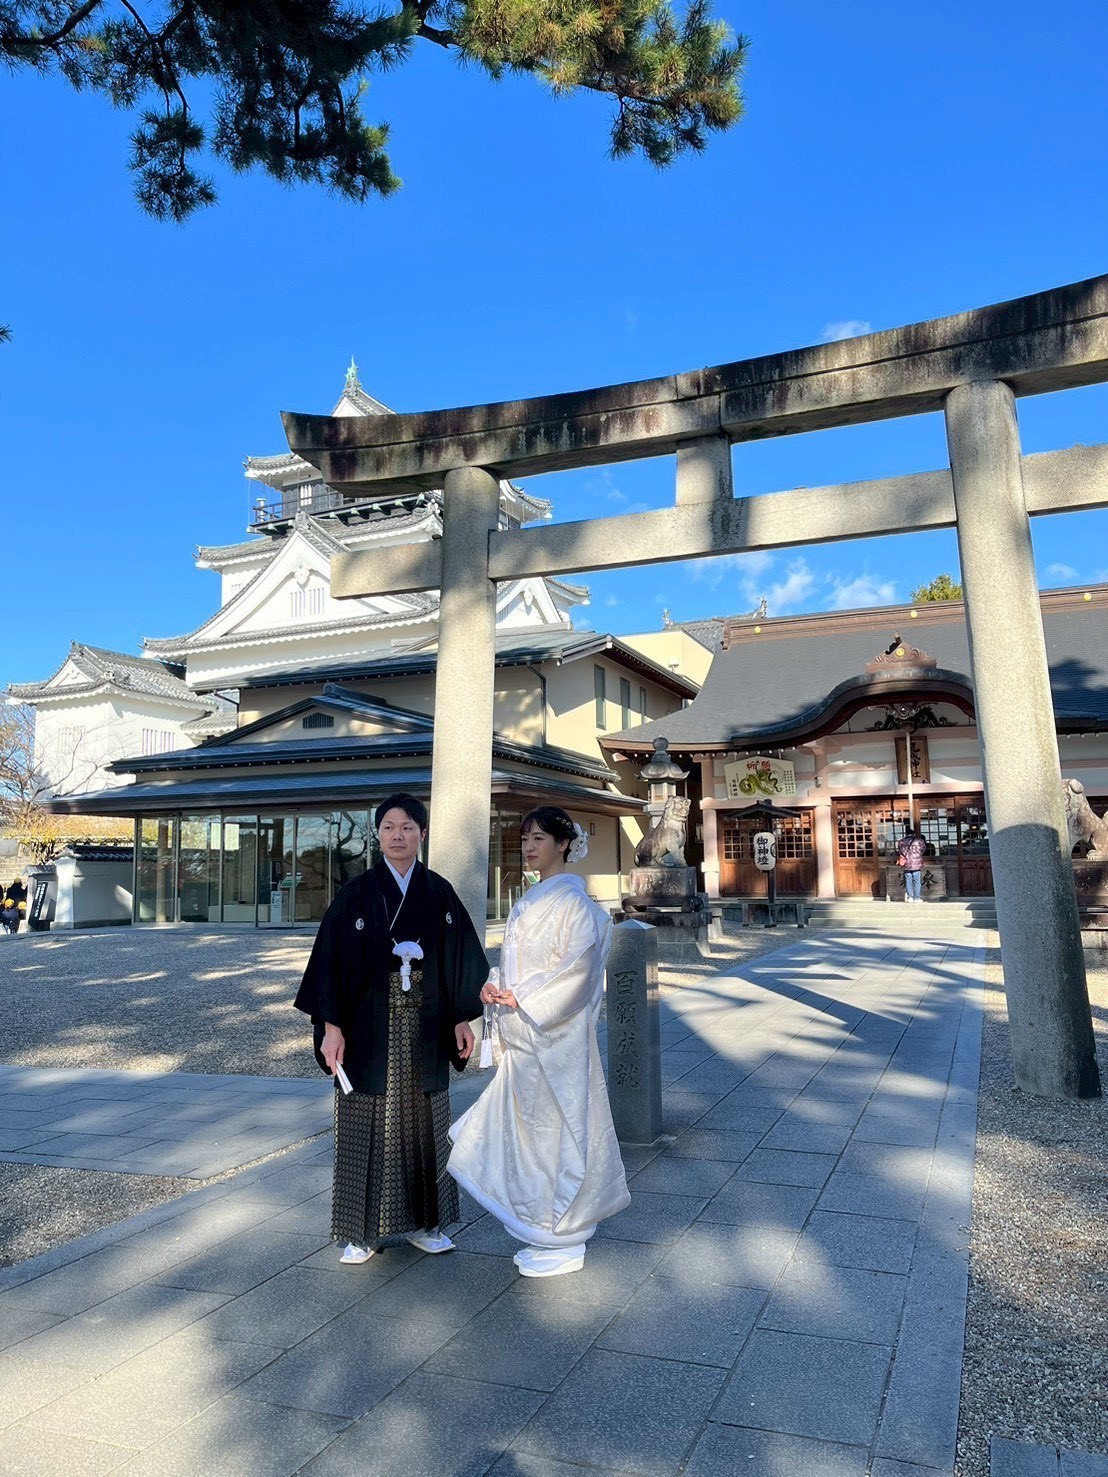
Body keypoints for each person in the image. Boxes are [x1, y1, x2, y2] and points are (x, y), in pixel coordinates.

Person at [294, 793, 488, 1264]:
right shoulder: (356, 894)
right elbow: (330, 966)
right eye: (388, 827)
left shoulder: (438, 891)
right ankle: (362, 1232)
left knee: (426, 1123)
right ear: (376, 834)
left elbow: (458, 963)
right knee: (364, 1121)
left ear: (422, 833)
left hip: (424, 1025)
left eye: (406, 826)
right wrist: (331, 1027)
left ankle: (426, 1223)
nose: (397, 835)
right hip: (365, 1027)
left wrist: (461, 1017)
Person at [447, 806, 630, 1278]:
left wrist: (521, 996)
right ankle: (541, 1227)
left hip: (557, 1041)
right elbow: (521, 968)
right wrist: (494, 986)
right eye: (525, 838)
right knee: (528, 1137)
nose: (529, 847)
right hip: (526, 1034)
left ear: (564, 844)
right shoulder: (531, 900)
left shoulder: (575, 904)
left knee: (557, 1135)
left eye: (540, 839)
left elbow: (579, 973)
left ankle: (565, 1234)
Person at [896, 823, 929, 902]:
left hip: (907, 864)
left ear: (906, 834)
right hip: (916, 864)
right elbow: (924, 850)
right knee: (917, 881)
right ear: (913, 834)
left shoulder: (901, 842)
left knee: (908, 881)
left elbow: (900, 852)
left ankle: (910, 897)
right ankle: (916, 898)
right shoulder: (919, 841)